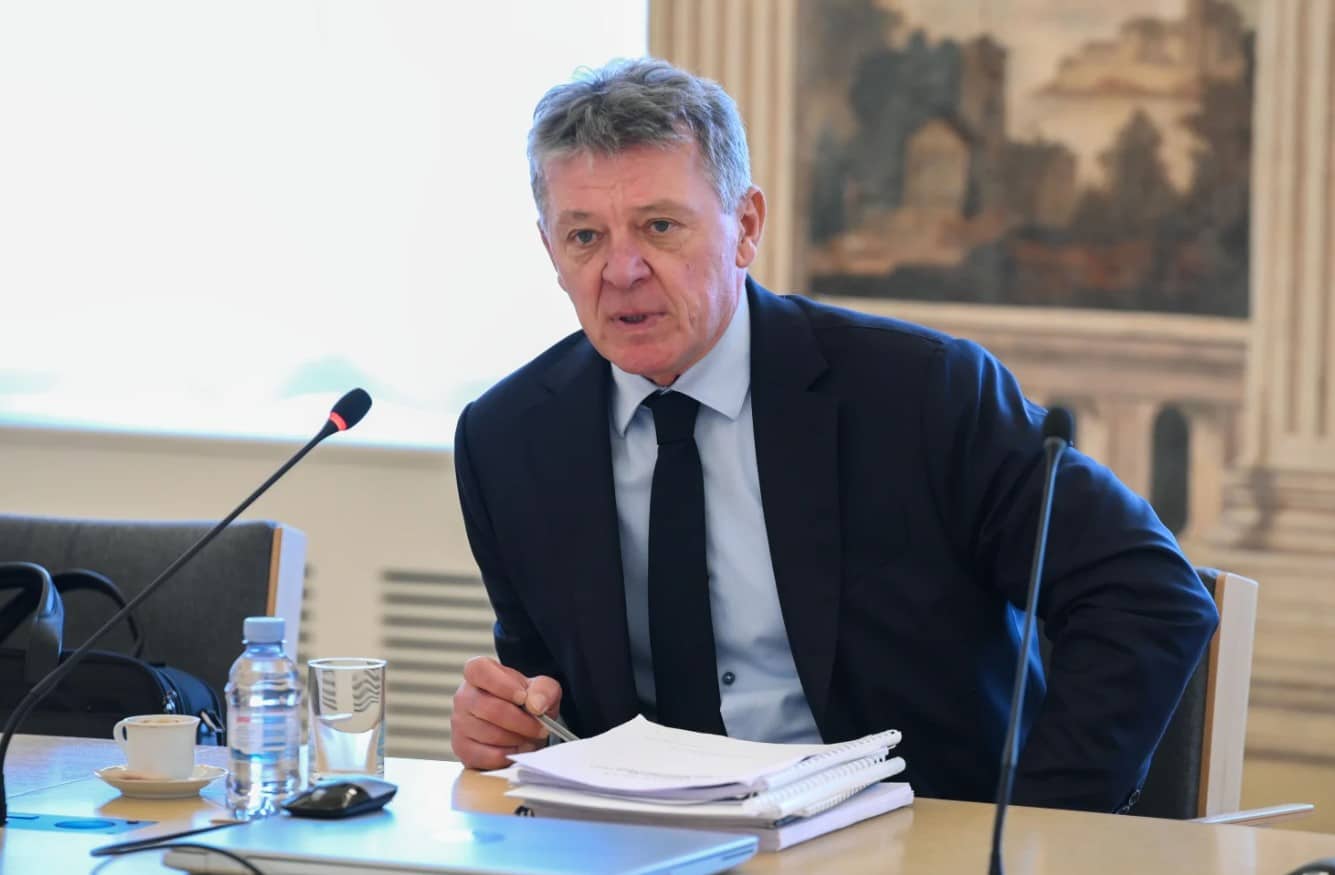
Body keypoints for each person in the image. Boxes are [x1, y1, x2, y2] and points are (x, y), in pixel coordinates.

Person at [449, 57, 1218, 813]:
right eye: (584, 236)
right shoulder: (508, 441)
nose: (621, 271)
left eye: (659, 226)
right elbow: (548, 700)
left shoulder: (920, 393)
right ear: (550, 251)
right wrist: (509, 721)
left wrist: (1032, 830)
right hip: (644, 846)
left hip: (908, 843)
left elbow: (1147, 595)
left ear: (745, 227)